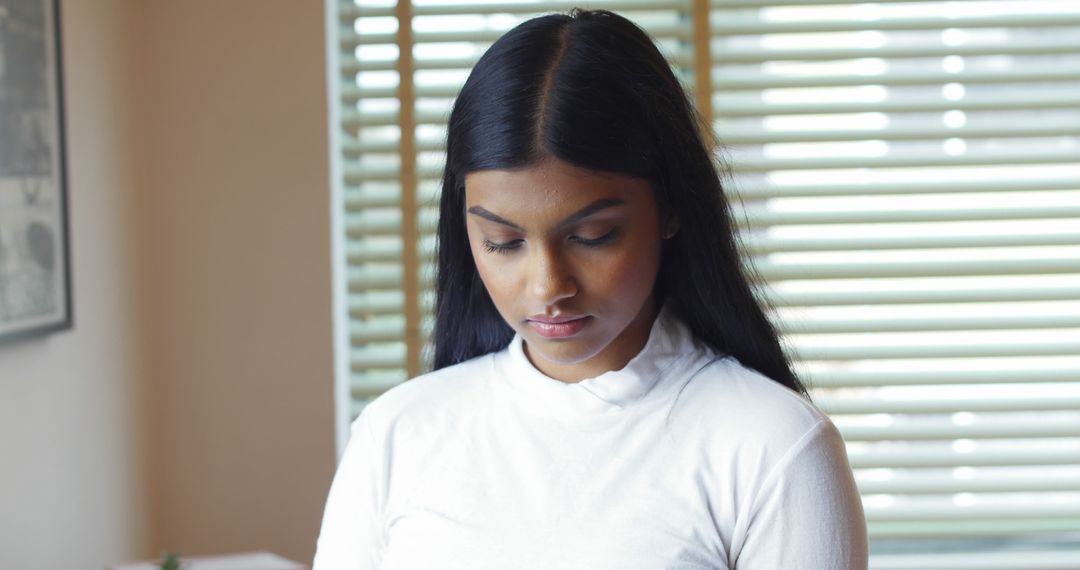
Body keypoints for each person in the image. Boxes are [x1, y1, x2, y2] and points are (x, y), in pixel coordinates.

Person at [314, 8, 868, 569]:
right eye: (503, 242)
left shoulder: (773, 447)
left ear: (671, 207)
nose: (548, 285)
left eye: (592, 236)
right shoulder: (398, 433)